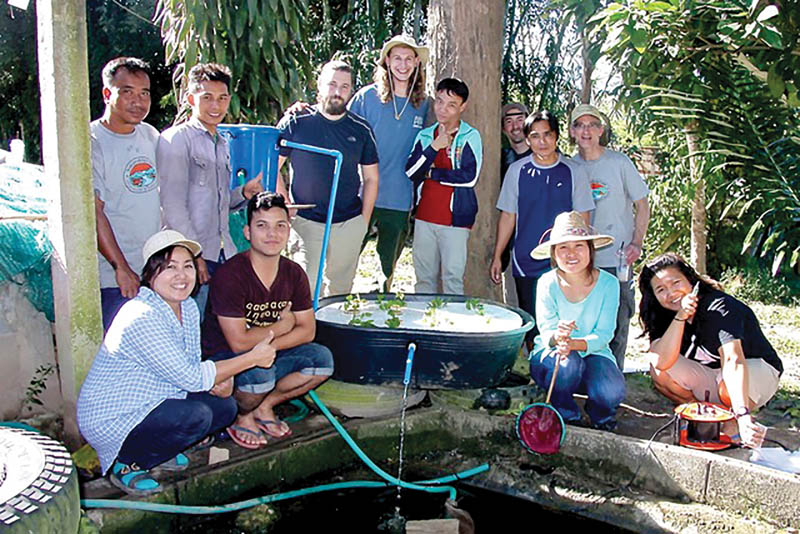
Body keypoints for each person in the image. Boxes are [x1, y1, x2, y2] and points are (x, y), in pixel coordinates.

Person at [77, 230, 276, 495]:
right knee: (196, 415)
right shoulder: (142, 315)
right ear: (151, 274)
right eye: (170, 268)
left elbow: (191, 365)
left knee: (224, 408)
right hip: (114, 418)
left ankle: (157, 451)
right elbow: (193, 377)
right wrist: (251, 358)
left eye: (188, 266)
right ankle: (126, 463)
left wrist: (220, 382)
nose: (181, 276)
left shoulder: (188, 307)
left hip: (154, 401)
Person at [202, 192, 334, 448]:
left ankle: (265, 406)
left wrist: (268, 347)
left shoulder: (293, 273)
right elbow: (239, 343)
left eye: (280, 226)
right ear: (248, 232)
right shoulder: (231, 275)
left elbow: (307, 331)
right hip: (226, 358)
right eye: (262, 226)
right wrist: (282, 327)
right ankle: (241, 416)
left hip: (265, 352)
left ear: (288, 230)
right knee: (261, 374)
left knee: (322, 361)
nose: (272, 234)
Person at [638, 253, 782, 447]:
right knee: (659, 370)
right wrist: (680, 317)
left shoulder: (719, 307)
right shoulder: (662, 314)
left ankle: (734, 423)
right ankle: (698, 418)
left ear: (691, 280)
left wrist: (743, 414)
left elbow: (733, 361)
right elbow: (661, 361)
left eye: (676, 283)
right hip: (712, 375)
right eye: (661, 289)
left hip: (753, 371)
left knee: (726, 387)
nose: (670, 293)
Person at [157, 63, 263, 318]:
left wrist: (242, 194)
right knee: (191, 322)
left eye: (222, 98)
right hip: (191, 257)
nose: (215, 106)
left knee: (215, 325)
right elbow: (172, 205)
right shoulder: (177, 140)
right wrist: (195, 256)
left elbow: (217, 202)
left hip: (222, 252)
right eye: (207, 98)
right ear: (191, 98)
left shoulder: (221, 142)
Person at [276, 60, 380, 297]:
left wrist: (363, 221)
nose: (337, 92)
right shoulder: (296, 122)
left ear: (351, 91)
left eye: (344, 87)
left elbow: (371, 178)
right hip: (306, 221)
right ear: (319, 85)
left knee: (340, 293)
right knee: (304, 289)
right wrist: (285, 204)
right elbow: (271, 166)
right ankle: (307, 335)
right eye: (332, 84)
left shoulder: (360, 129)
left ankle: (332, 334)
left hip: (348, 222)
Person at [490, 111, 594, 346]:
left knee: (562, 320)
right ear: (527, 140)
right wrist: (498, 255)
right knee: (532, 320)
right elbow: (508, 216)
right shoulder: (518, 171)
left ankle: (562, 372)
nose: (542, 141)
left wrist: (582, 257)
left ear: (556, 136)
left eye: (547, 135)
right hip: (525, 259)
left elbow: (583, 218)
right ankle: (537, 370)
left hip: (563, 261)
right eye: (535, 136)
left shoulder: (573, 171)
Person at [569, 103, 650, 371]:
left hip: (617, 258)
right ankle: (585, 375)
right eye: (580, 125)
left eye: (592, 125)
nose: (586, 131)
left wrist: (637, 242)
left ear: (601, 130)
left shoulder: (619, 162)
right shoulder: (569, 166)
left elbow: (642, 203)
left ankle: (613, 375)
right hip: (580, 260)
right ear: (572, 131)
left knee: (619, 317)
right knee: (585, 319)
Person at [528, 211, 625, 430]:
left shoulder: (609, 284)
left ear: (590, 250)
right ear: (554, 253)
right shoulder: (546, 283)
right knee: (567, 365)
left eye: (578, 246)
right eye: (563, 247)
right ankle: (565, 414)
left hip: (594, 353)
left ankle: (601, 417)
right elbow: (546, 331)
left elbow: (604, 334)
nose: (571, 254)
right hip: (555, 356)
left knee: (611, 391)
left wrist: (576, 344)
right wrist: (558, 336)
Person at [349, 35, 430, 292]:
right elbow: (340, 128)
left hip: (400, 194)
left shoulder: (425, 105)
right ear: (387, 61)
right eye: (397, 58)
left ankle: (381, 316)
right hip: (361, 193)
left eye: (408, 59)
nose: (403, 65)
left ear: (417, 62)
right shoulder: (366, 97)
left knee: (386, 272)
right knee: (345, 259)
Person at [91, 57, 161, 331]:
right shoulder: (93, 141)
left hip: (153, 273)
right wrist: (120, 267)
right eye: (127, 92)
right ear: (108, 94)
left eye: (144, 93)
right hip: (116, 279)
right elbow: (94, 212)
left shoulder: (150, 135)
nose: (138, 101)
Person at [405, 78, 482, 295]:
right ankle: (426, 327)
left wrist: (432, 173)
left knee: (453, 279)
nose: (443, 109)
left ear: (462, 107)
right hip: (424, 219)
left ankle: (453, 327)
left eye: (451, 105)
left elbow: (469, 177)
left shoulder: (470, 136)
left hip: (455, 221)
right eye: (439, 102)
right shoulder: (425, 135)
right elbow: (411, 172)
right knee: (423, 279)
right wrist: (433, 148)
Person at [497, 102, 531, 306]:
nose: (515, 126)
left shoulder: (545, 156)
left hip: (544, 247)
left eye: (520, 119)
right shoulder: (500, 160)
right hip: (512, 248)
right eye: (509, 121)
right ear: (503, 128)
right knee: (515, 305)